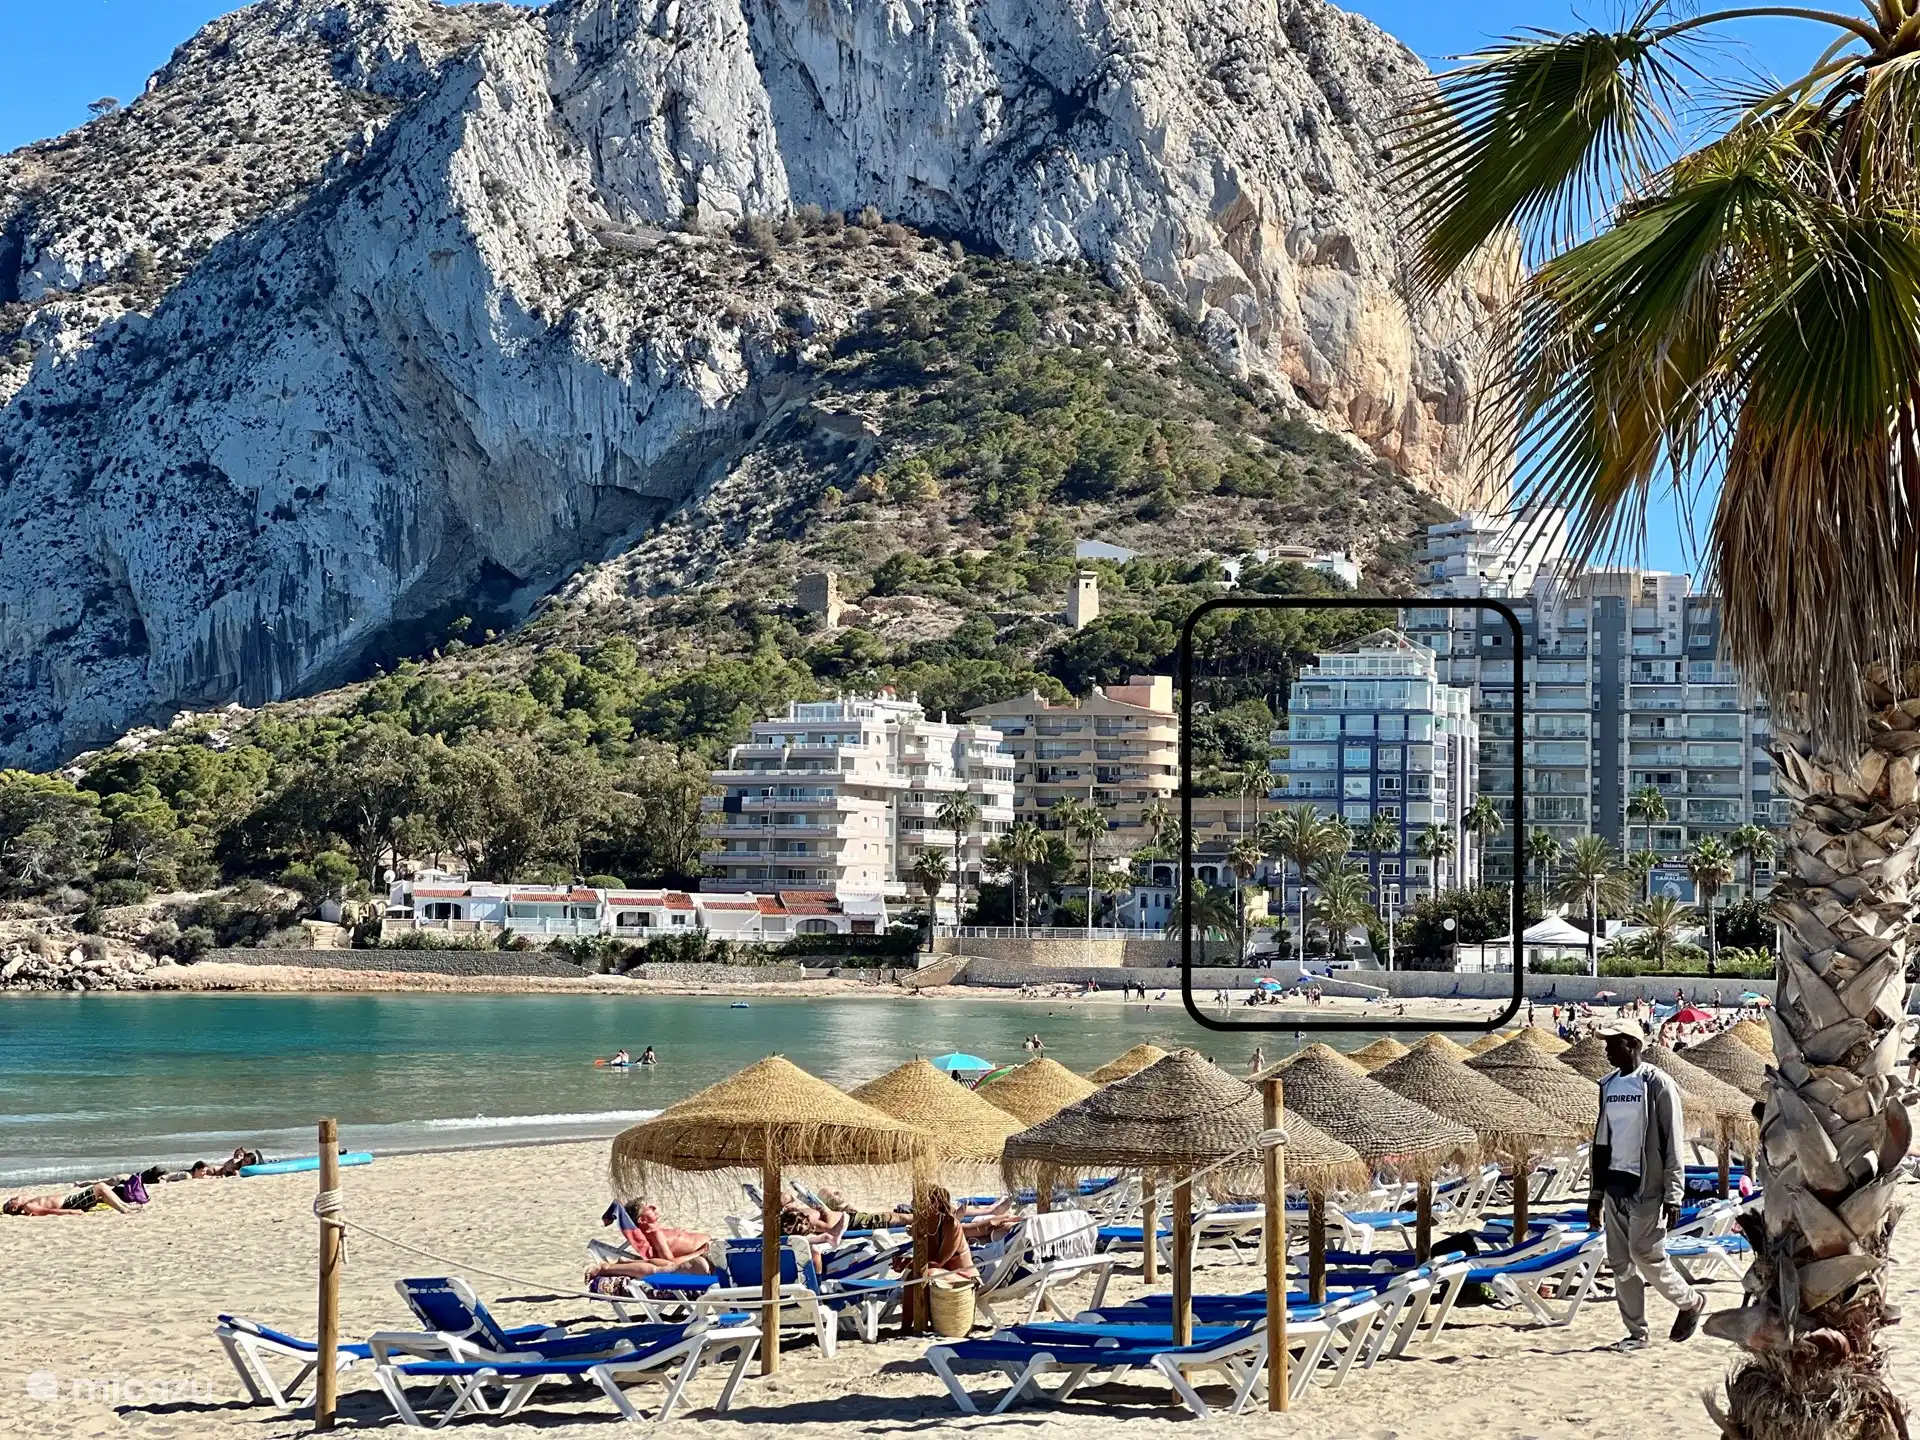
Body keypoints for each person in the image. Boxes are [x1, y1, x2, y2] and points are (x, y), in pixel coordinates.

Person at [1585, 1017, 1706, 1351]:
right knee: (1620, 1263)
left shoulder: (1656, 1083)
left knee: (1645, 1253)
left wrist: (1674, 1194)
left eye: (1614, 1043)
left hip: (1646, 1186)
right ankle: (1637, 1333)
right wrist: (1594, 1195)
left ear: (1634, 1045)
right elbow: (1600, 1142)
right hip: (1613, 1184)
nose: (1607, 1049)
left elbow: (1672, 1142)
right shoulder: (1607, 1085)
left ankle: (1690, 1301)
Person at [585, 1199, 712, 1284]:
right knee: (667, 1268)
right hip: (706, 1256)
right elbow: (671, 1263)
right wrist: (698, 1253)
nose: (654, 1207)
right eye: (650, 1208)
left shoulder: (658, 1232)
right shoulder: (657, 1233)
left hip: (709, 1253)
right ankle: (617, 1266)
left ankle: (627, 1263)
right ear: (642, 1220)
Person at [4, 1182, 137, 1216]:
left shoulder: (29, 1202)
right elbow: (48, 1211)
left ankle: (126, 1207)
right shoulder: (29, 1206)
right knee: (100, 1187)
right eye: (11, 1201)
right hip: (70, 1204)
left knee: (101, 1188)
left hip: (71, 1200)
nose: (12, 1198)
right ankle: (124, 1209)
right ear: (15, 1207)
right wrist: (70, 1212)